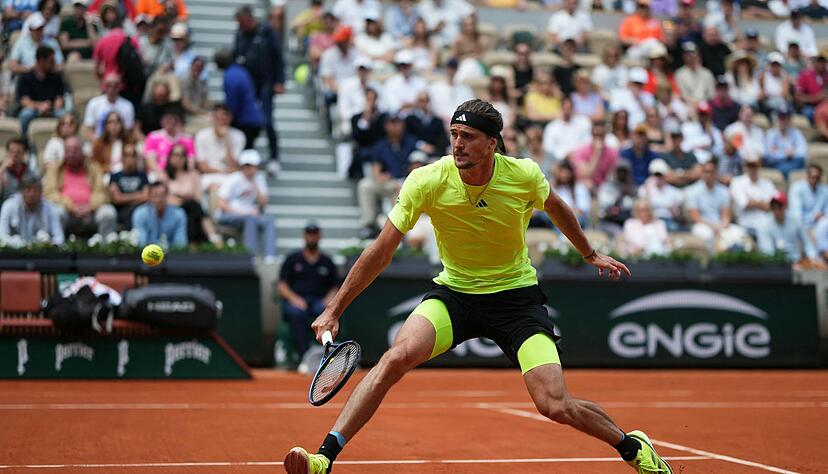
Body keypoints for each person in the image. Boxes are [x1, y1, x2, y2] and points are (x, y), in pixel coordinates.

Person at [282, 98, 672, 474]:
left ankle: (632, 446)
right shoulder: (427, 180)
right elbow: (381, 250)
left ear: (492, 143)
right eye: (453, 134)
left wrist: (589, 253)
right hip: (455, 295)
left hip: (516, 300)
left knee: (554, 404)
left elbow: (556, 208)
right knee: (395, 358)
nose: (457, 144)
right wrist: (334, 309)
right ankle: (324, 459)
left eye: (468, 136)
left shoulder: (523, 175)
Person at [233, 5, 285, 174]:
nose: (241, 26)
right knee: (247, 120)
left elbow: (278, 57)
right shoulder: (240, 34)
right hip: (248, 84)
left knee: (267, 120)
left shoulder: (267, 32)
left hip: (266, 82)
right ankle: (248, 153)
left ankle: (274, 156)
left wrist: (280, 81)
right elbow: (236, 55)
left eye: (243, 23)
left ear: (250, 19)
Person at [277, 223, 340, 360]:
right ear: (304, 236)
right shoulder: (292, 259)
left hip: (319, 301)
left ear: (319, 237)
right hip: (298, 301)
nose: (312, 238)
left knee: (327, 315)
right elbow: (282, 285)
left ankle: (328, 356)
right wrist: (295, 299)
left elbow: (335, 286)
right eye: (309, 234)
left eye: (314, 235)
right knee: (297, 313)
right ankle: (305, 357)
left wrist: (328, 301)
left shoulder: (327, 261)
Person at [357, 113, 418, 238]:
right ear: (386, 126)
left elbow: (419, 163)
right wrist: (380, 176)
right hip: (389, 184)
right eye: (391, 122)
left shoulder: (411, 142)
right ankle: (368, 224)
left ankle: (404, 232)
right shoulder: (381, 145)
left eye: (397, 122)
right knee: (365, 185)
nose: (394, 126)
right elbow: (376, 170)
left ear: (402, 124)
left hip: (408, 183)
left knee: (403, 191)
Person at [43, 136, 117, 237]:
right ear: (64, 152)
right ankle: (57, 248)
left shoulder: (94, 167)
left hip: (91, 212)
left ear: (82, 151)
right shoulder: (55, 169)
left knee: (108, 213)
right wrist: (71, 207)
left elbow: (102, 192)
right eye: (68, 150)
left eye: (75, 149)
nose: (72, 153)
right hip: (67, 212)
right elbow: (49, 193)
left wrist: (90, 206)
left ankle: (106, 250)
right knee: (56, 213)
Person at [216, 149, 276, 260]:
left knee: (269, 220)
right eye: (246, 166)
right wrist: (244, 212)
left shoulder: (259, 179)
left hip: (249, 215)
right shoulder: (233, 178)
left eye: (252, 166)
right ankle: (250, 256)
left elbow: (264, 202)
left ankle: (270, 257)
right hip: (228, 216)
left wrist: (254, 184)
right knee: (250, 218)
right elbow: (221, 203)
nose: (249, 169)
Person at [162, 143, 217, 244]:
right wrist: (181, 200)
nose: (178, 158)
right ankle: (212, 238)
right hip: (171, 209)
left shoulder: (193, 175)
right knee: (192, 208)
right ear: (170, 157)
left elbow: (198, 197)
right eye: (175, 155)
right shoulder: (164, 175)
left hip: (191, 207)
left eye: (181, 155)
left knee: (192, 209)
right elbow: (163, 197)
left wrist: (180, 198)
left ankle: (194, 243)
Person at [686, 159, 746, 249]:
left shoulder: (723, 191)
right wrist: (713, 226)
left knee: (740, 233)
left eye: (712, 172)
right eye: (706, 172)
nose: (709, 175)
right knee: (707, 234)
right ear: (702, 173)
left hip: (719, 224)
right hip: (702, 224)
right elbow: (695, 217)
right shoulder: (692, 191)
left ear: (716, 173)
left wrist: (722, 225)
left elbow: (726, 215)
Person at [214, 49, 264, 150]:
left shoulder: (230, 76)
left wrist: (227, 119)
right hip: (255, 118)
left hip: (245, 121)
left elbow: (233, 103)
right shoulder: (240, 70)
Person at [729, 151, 776, 253]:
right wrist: (761, 203)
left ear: (759, 165)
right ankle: (770, 257)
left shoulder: (767, 183)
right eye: (749, 165)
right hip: (746, 221)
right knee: (763, 226)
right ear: (745, 166)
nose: (752, 168)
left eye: (754, 165)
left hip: (768, 219)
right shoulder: (737, 182)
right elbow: (745, 204)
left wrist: (753, 201)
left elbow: (772, 206)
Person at [0, 175, 64, 245]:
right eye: (28, 190)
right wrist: (17, 244)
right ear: (22, 191)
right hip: (14, 253)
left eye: (36, 190)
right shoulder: (9, 206)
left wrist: (49, 244)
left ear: (41, 192)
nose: (32, 194)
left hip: (42, 253)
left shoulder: (50, 208)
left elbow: (59, 238)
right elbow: (2, 236)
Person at [15, 46, 65, 135]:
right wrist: (39, 106)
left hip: (51, 109)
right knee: (26, 115)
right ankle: (24, 140)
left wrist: (53, 107)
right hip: (33, 109)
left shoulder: (56, 77)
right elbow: (24, 100)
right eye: (51, 61)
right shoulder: (25, 77)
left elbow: (59, 98)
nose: (54, 64)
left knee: (63, 115)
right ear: (41, 60)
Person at [195, 103, 245, 191]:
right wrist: (223, 171)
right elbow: (203, 167)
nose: (221, 121)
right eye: (218, 118)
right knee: (212, 187)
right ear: (213, 118)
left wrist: (227, 140)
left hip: (231, 176)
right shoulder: (201, 135)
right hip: (210, 175)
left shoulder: (239, 136)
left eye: (224, 118)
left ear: (230, 118)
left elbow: (233, 164)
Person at [766, 191, 822, 267]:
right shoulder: (766, 225)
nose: (777, 210)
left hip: (797, 262)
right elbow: (768, 252)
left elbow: (807, 242)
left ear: (785, 206)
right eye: (774, 207)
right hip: (777, 265)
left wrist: (812, 257)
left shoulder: (795, 221)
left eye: (779, 207)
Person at [82, 72, 136, 142]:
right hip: (98, 142)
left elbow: (128, 131)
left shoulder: (127, 106)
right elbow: (88, 130)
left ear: (120, 86)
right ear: (104, 86)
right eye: (109, 85)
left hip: (119, 143)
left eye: (115, 85)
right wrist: (99, 145)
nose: (112, 88)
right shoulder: (94, 103)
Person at [132, 181, 187, 247]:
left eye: (162, 195)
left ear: (167, 196)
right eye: (155, 196)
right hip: (148, 255)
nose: (159, 199)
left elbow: (180, 244)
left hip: (172, 255)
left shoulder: (179, 214)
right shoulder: (140, 214)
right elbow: (141, 242)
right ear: (149, 197)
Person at [108, 144, 149, 228]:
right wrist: (138, 195)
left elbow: (146, 196)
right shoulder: (114, 176)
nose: (130, 159)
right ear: (122, 158)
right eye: (127, 155)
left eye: (133, 156)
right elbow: (117, 198)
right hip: (120, 211)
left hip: (139, 210)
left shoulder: (143, 176)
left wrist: (124, 197)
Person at [569, 120, 619, 190]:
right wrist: (597, 154)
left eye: (601, 135)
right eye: (596, 135)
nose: (598, 138)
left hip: (603, 188)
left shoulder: (613, 153)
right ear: (592, 135)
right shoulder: (581, 151)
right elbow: (585, 175)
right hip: (584, 187)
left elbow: (613, 177)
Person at [638, 158, 684, 231]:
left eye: (660, 175)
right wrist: (648, 188)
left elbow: (677, 214)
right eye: (656, 175)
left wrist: (675, 212)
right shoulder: (644, 190)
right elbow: (643, 207)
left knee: (674, 227)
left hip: (668, 221)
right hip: (651, 221)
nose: (658, 177)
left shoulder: (674, 192)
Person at [542, 97, 591, 165]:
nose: (567, 111)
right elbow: (548, 148)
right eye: (565, 108)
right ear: (561, 108)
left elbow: (588, 141)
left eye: (569, 108)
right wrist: (564, 155)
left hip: (580, 160)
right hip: (559, 162)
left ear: (573, 108)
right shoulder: (551, 127)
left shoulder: (583, 122)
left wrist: (575, 153)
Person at [765, 107, 806, 180]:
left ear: (790, 120)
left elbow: (803, 152)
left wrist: (793, 153)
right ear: (777, 119)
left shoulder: (796, 132)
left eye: (786, 118)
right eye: (781, 118)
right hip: (777, 162)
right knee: (778, 164)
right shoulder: (771, 133)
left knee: (800, 162)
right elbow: (769, 154)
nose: (783, 121)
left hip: (794, 161)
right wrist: (785, 154)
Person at [404, 91, 449, 158]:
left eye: (426, 100)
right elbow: (407, 136)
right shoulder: (410, 119)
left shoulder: (437, 121)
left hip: (435, 152)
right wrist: (421, 145)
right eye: (421, 101)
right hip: (415, 151)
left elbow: (442, 138)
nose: (424, 104)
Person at [675, 41, 715, 106]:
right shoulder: (679, 74)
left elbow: (712, 95)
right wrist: (695, 104)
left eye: (692, 53)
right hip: (688, 106)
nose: (690, 56)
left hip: (706, 105)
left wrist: (703, 104)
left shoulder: (706, 73)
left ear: (697, 54)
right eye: (687, 54)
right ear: (683, 56)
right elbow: (682, 95)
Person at [1, 138, 39, 204]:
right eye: (11, 151)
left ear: (24, 155)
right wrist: (2, 169)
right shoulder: (3, 172)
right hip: (6, 207)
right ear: (7, 153)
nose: (14, 155)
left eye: (18, 152)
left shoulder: (32, 173)